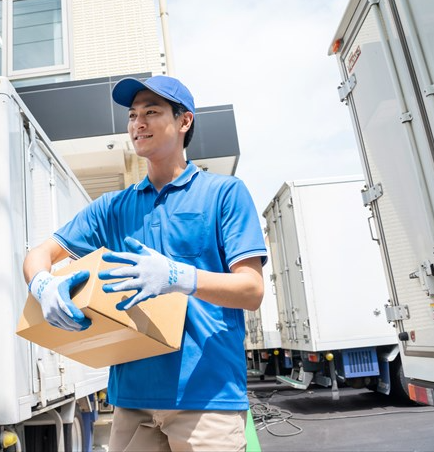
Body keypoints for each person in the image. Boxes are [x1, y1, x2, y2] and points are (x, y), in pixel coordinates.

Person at [22, 75, 266, 451]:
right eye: (133, 115)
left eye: (151, 112)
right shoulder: (112, 208)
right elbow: (38, 255)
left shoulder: (223, 193)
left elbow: (251, 290)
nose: (138, 123)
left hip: (206, 397)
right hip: (132, 400)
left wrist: (180, 276)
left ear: (184, 121)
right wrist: (42, 285)